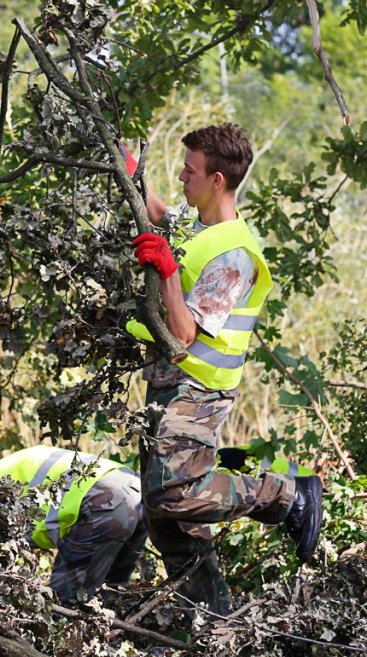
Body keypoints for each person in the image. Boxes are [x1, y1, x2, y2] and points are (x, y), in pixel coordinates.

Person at [125, 123, 323, 616]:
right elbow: (156, 211)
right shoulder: (198, 227)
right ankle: (211, 620)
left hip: (200, 390)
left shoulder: (233, 254)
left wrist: (168, 271)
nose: (181, 176)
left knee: (172, 493)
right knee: (162, 515)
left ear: (217, 180)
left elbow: (185, 331)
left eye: (190, 170)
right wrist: (125, 164)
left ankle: (283, 493)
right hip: (167, 385)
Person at [0, 445, 147, 605]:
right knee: (113, 588)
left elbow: (1, 552)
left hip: (103, 503)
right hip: (136, 495)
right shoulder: (13, 462)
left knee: (64, 599)